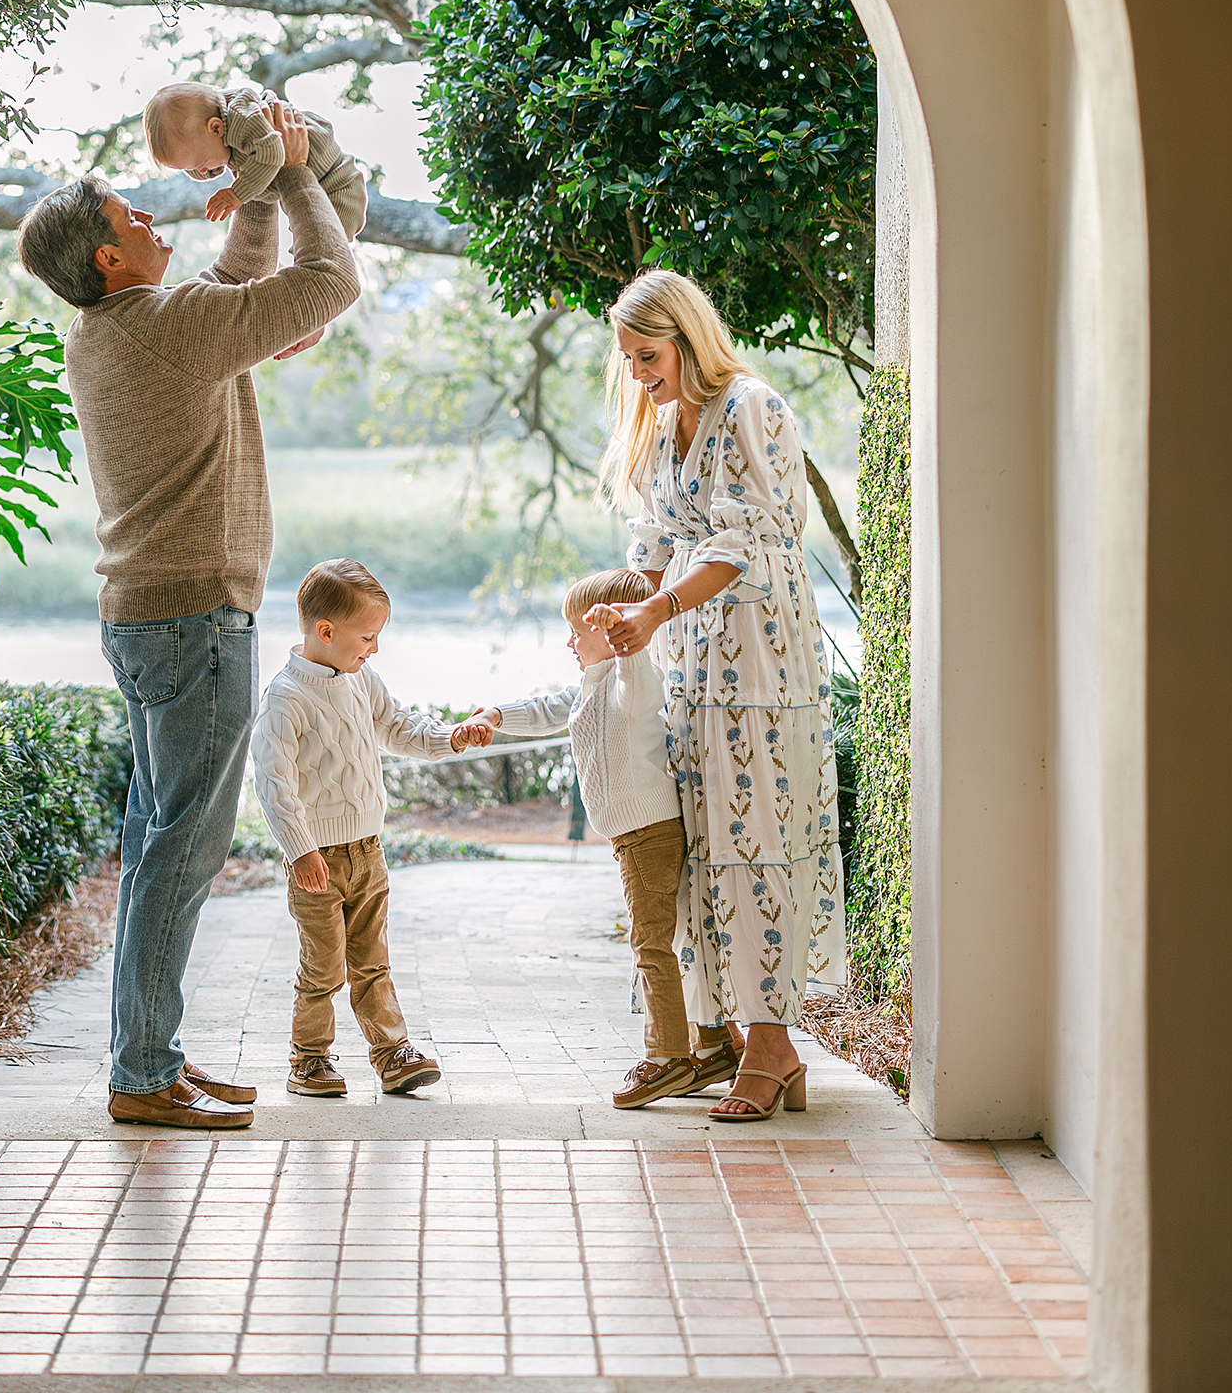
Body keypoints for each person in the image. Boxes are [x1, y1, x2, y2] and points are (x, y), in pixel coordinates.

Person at [18, 100, 359, 1132]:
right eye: (139, 218)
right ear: (112, 258)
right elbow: (327, 281)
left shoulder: (111, 330)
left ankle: (148, 1055)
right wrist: (294, 172)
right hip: (196, 620)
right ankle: (142, 1074)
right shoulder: (166, 330)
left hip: (148, 618)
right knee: (182, 850)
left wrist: (250, 198)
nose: (161, 223)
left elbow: (229, 285)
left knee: (157, 841)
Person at [585, 268, 845, 1124]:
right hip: (693, 663)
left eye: (646, 355)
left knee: (755, 834)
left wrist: (657, 607)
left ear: (688, 339)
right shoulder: (664, 424)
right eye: (625, 359)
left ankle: (770, 1044)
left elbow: (745, 542)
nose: (636, 374)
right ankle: (731, 1040)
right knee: (700, 842)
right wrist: (622, 609)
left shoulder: (752, 407)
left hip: (758, 662)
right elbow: (657, 539)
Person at [476, 567, 740, 1108]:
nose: (570, 641)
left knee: (650, 945)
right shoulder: (591, 686)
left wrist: (626, 641)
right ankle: (714, 1042)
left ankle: (666, 1057)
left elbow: (635, 679)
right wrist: (497, 714)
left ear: (615, 630)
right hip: (637, 834)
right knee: (679, 936)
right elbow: (550, 707)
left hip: (648, 834)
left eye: (579, 629)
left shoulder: (632, 684)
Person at [251, 558, 494, 1099]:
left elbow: (401, 727)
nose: (374, 649)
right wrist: (300, 849)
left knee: (372, 962)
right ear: (326, 631)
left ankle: (392, 1055)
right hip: (317, 861)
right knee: (324, 967)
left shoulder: (363, 681)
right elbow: (273, 785)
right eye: (368, 636)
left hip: (368, 852)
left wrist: (449, 738)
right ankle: (308, 1060)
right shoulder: (286, 698)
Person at [144, 78, 370, 237]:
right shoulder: (218, 131)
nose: (201, 172)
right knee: (306, 236)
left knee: (328, 240)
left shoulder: (244, 118)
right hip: (314, 188)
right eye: (190, 169)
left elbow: (272, 154)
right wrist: (204, 165)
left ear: (216, 129)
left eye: (200, 165)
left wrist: (236, 194)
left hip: (337, 182)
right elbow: (208, 160)